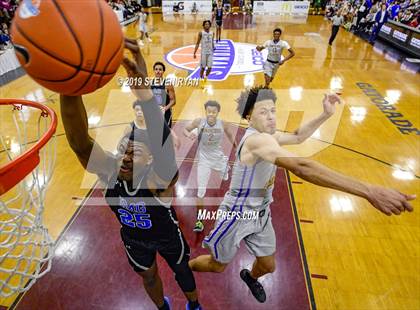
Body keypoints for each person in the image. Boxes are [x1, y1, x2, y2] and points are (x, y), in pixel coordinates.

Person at [188, 86, 415, 303]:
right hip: (237, 214)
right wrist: (368, 190)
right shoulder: (256, 140)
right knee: (217, 266)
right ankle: (184, 267)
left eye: (273, 111)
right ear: (249, 116)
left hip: (260, 212)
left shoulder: (269, 136)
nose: (271, 117)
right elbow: (302, 167)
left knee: (268, 266)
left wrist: (325, 114)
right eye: (263, 112)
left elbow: (297, 136)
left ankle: (250, 276)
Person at [60, 37, 201, 310]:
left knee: (182, 270)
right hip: (134, 238)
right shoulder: (111, 172)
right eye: (123, 150)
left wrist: (145, 92)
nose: (124, 156)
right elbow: (79, 142)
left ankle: (194, 304)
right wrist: (69, 87)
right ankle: (163, 307)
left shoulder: (159, 180)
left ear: (150, 158)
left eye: (133, 152)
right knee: (148, 278)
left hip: (166, 235)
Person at [183, 100, 237, 232]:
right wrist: (188, 134)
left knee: (224, 178)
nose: (211, 114)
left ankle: (226, 168)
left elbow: (230, 135)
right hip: (204, 161)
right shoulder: (198, 122)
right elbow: (185, 129)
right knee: (201, 191)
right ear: (205, 111)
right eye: (209, 111)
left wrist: (237, 148)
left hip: (218, 158)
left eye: (214, 112)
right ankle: (199, 220)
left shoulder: (223, 124)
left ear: (218, 112)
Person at [150, 61, 176, 128]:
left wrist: (164, 109)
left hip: (165, 113)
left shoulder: (168, 84)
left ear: (163, 71)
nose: (158, 71)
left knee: (166, 135)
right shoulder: (150, 84)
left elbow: (173, 101)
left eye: (160, 69)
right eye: (156, 69)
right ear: (154, 71)